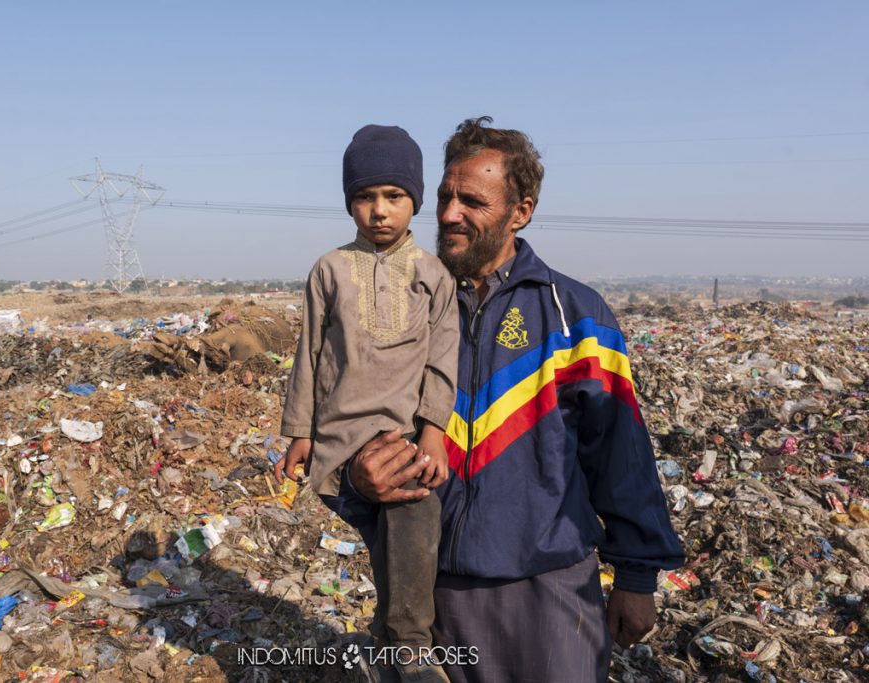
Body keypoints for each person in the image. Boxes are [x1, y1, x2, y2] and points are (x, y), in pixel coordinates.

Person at [339, 117, 685, 682]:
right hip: (423, 595)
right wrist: (357, 481)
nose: (450, 214)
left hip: (549, 592)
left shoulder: (576, 316)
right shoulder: (399, 312)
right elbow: (348, 434)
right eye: (446, 197)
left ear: (520, 212)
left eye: (472, 201)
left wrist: (637, 577)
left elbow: (622, 457)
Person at [274, 124, 458, 682]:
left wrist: (433, 432)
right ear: (350, 203)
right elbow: (308, 352)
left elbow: (441, 360)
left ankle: (397, 639)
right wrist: (299, 432)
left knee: (406, 521)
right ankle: (408, 644)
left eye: (394, 196)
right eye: (365, 197)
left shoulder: (433, 275)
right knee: (394, 527)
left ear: (415, 203)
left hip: (402, 431)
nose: (380, 211)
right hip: (339, 432)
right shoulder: (329, 269)